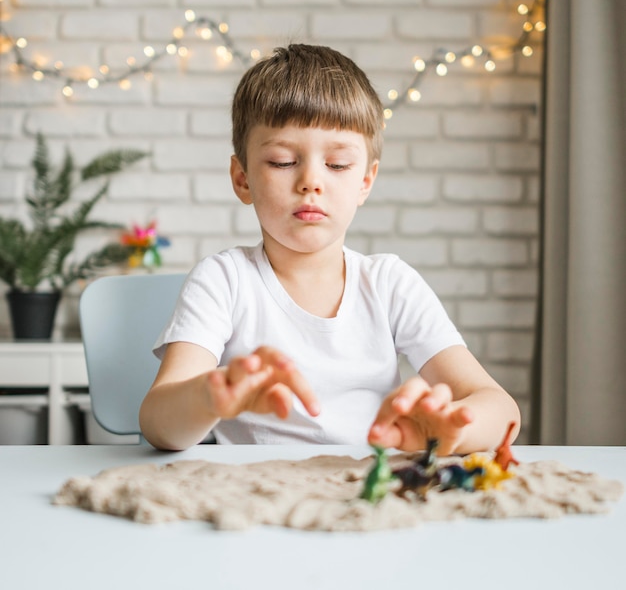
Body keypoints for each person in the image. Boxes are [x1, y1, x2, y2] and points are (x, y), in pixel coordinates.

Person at [139, 43, 521, 454]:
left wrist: (452, 430)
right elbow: (159, 423)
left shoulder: (390, 284)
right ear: (243, 179)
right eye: (283, 162)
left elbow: (500, 409)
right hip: (260, 493)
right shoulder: (224, 281)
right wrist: (208, 397)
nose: (311, 182)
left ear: (365, 182)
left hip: (366, 493)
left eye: (337, 164)